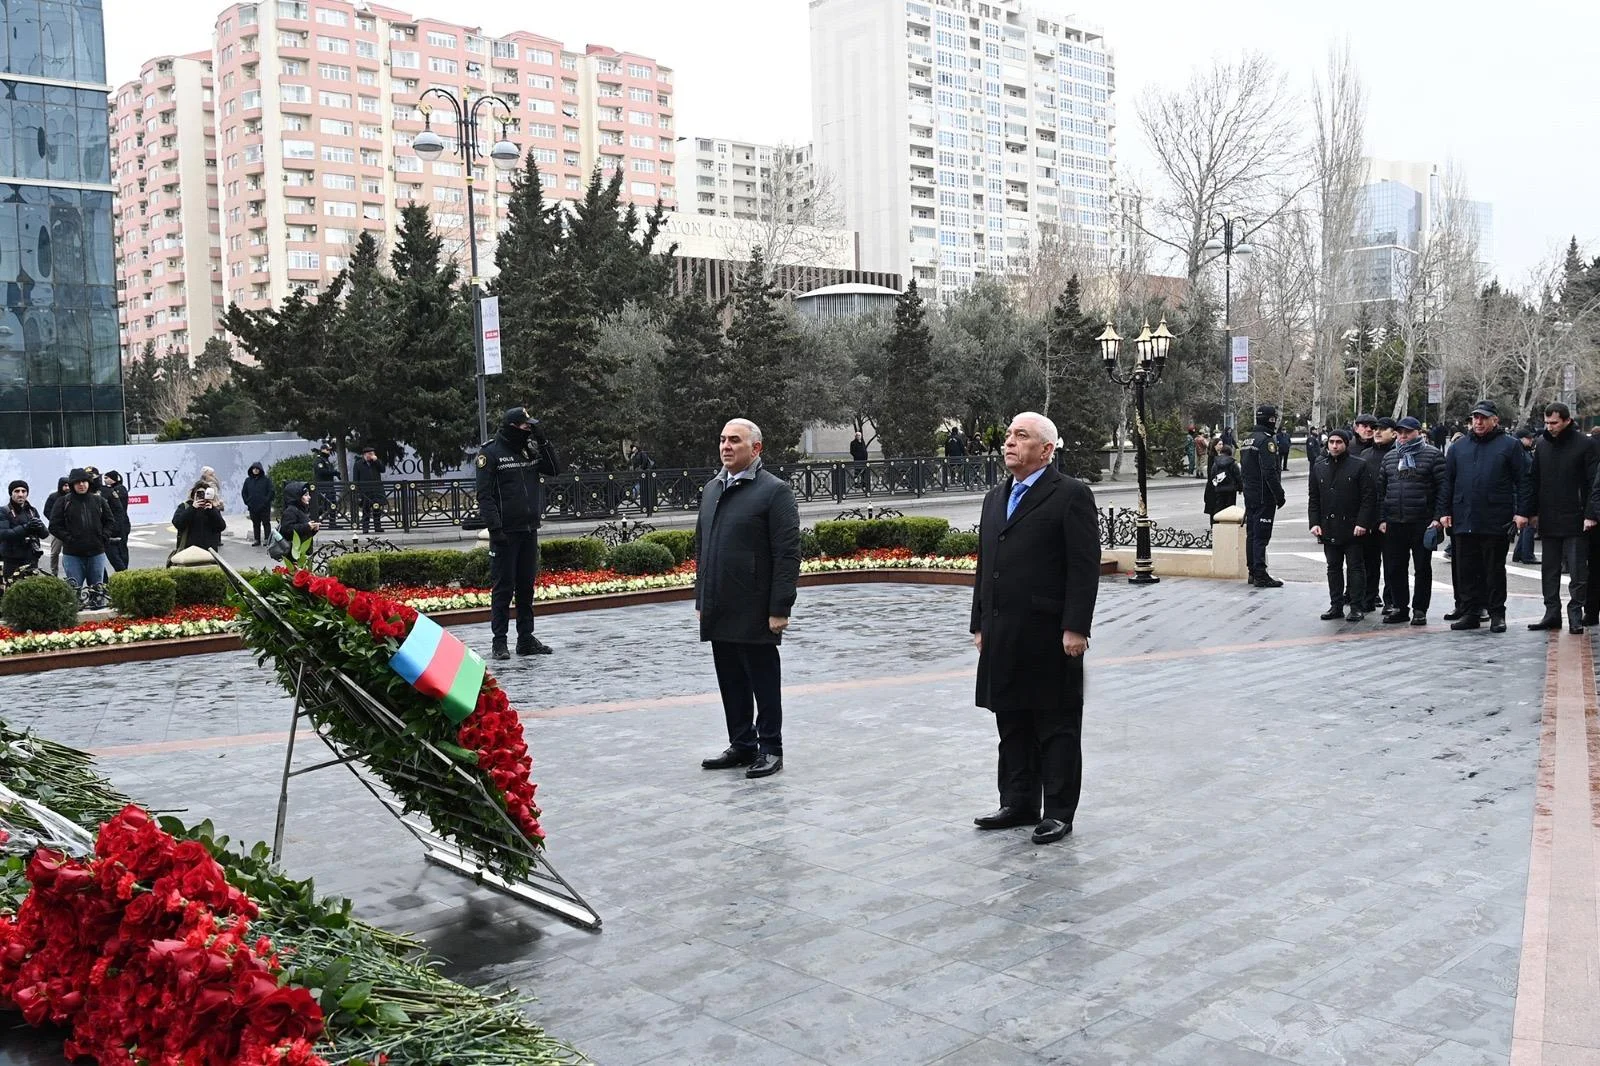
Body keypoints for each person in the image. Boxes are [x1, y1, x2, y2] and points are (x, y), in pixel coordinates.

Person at [969, 411, 1099, 846]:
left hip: (1049, 633)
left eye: (1020, 436)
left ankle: (1058, 811)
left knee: (1056, 724)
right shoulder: (995, 497)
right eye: (1008, 435)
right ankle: (1018, 802)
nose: (1009, 442)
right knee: (1011, 720)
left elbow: (1083, 567)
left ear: (1046, 450)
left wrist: (1076, 627)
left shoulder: (1070, 494)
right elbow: (986, 565)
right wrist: (979, 622)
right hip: (1002, 631)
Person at [695, 418, 802, 780]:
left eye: (735, 441)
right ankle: (742, 743)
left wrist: (780, 607)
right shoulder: (712, 489)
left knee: (763, 681)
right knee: (730, 679)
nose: (726, 446)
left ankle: (770, 747)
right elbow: (702, 548)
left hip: (757, 607)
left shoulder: (774, 491)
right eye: (722, 440)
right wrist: (701, 599)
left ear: (756, 448)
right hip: (719, 604)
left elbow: (787, 554)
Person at [477, 406, 563, 660]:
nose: (529, 430)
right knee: (503, 589)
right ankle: (499, 642)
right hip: (505, 533)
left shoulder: (529, 450)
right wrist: (495, 528)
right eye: (526, 426)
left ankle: (525, 639)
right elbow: (484, 495)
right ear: (513, 427)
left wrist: (543, 440)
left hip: (529, 529)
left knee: (526, 588)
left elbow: (554, 469)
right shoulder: (490, 453)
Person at [1441, 400, 1526, 632]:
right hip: (1464, 516)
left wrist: (1522, 512)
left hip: (1495, 517)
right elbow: (1448, 482)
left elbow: (1523, 480)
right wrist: (1444, 512)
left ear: (1494, 420)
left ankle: (1497, 613)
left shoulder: (1510, 445)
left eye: (1483, 418)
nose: (1478, 422)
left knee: (1494, 569)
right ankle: (1470, 612)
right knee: (1466, 569)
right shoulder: (1459, 447)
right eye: (1475, 418)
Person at [1518, 403, 1598, 634]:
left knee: (1577, 572)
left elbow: (1594, 483)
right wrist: (1531, 512)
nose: (1549, 427)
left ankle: (1575, 615)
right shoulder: (1542, 445)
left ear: (1566, 420)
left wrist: (1590, 514)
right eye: (1547, 422)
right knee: (1549, 571)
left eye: (1554, 423)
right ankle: (1552, 613)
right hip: (1549, 517)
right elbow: (1534, 480)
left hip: (1576, 518)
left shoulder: (1586, 445)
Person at [1377, 417, 1446, 626]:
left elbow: (1443, 489)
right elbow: (1381, 491)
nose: (1403, 436)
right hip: (1394, 521)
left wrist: (1437, 518)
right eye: (1400, 432)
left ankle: (1420, 609)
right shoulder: (1390, 457)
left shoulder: (1433, 455)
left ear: (1418, 432)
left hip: (1422, 521)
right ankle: (1400, 607)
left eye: (1407, 432)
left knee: (1422, 568)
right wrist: (1382, 518)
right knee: (1394, 568)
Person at [1309, 429, 1376, 622]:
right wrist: (1314, 523)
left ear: (1346, 444)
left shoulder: (1359, 465)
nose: (1334, 446)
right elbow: (1314, 498)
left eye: (1339, 442)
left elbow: (1368, 497)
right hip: (1328, 526)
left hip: (1353, 527)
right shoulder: (1319, 466)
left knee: (1355, 567)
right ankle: (1335, 606)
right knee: (1333, 567)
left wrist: (1362, 523)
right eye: (1331, 442)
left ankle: (1356, 606)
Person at [48, 468, 115, 608]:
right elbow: (54, 526)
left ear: (89, 483)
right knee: (74, 593)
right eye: (77, 482)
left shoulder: (99, 500)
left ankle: (97, 614)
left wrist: (104, 536)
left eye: (84, 481)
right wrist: (69, 539)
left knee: (97, 591)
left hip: (96, 552)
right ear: (72, 484)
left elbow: (110, 521)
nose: (81, 485)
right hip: (72, 554)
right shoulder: (63, 502)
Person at [1239, 403, 1287, 588]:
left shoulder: (1247, 440)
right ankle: (1260, 574)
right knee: (1261, 536)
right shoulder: (1266, 441)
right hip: (1263, 495)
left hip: (1250, 494)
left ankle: (1252, 571)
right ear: (1271, 420)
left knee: (1251, 534)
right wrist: (1279, 495)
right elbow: (1269, 471)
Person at [1358, 418, 1398, 612]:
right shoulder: (1365, 455)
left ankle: (1390, 600)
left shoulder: (1398, 454)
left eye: (1383, 429)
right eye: (1375, 429)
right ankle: (1369, 597)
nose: (1377, 432)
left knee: (1392, 563)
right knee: (1369, 561)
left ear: (1394, 432)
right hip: (1369, 517)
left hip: (1391, 517)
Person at [83, 466, 128, 573]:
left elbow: (119, 511)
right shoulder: (82, 494)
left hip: (107, 532)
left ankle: (123, 579)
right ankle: (103, 582)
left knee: (116, 559)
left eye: (92, 477)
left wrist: (112, 530)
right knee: (94, 563)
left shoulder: (107, 491)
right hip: (91, 534)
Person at [0, 481, 48, 579]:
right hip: (12, 559)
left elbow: (44, 535)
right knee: (12, 586)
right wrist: (26, 527)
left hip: (31, 558)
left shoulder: (32, 511)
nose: (20, 494)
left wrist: (40, 526)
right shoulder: (4, 511)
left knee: (31, 587)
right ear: (11, 493)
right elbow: (4, 534)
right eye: (17, 491)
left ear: (27, 494)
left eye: (23, 491)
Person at [172, 481, 227, 555]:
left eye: (204, 494)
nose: (201, 496)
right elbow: (178, 523)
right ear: (194, 495)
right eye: (199, 493)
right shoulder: (185, 506)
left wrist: (212, 511)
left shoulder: (211, 508)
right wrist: (192, 508)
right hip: (189, 552)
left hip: (209, 552)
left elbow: (221, 527)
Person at [1511, 429, 1540, 564]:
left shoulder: (1524, 452)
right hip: (1525, 492)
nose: (1531, 440)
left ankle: (1519, 553)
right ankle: (1527, 554)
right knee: (1528, 525)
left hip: (1523, 492)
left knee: (1526, 525)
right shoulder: (1521, 454)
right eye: (1529, 438)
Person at [278, 482, 320, 567]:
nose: (309, 497)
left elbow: (303, 533)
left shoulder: (300, 509)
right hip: (295, 554)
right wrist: (307, 526)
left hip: (303, 552)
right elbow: (287, 530)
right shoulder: (290, 511)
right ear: (297, 497)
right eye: (306, 495)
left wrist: (313, 529)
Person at [1203, 444, 1241, 522]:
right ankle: (1229, 524)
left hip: (1219, 490)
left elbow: (1213, 475)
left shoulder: (1216, 463)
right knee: (1230, 509)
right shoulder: (1232, 463)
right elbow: (1238, 477)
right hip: (1231, 490)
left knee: (1219, 508)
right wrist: (1240, 488)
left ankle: (1217, 524)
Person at [240, 462, 274, 547]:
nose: (255, 470)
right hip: (252, 507)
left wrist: (266, 501)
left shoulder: (266, 480)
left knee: (266, 523)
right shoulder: (248, 480)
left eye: (257, 468)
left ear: (260, 470)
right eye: (254, 468)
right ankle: (257, 539)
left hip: (264, 507)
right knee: (255, 524)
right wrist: (248, 502)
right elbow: (244, 492)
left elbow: (271, 492)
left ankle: (267, 539)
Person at [353, 445, 385, 534]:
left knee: (377, 509)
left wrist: (377, 461)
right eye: (369, 454)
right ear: (365, 454)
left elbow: (383, 470)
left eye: (372, 454)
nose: (371, 455)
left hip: (376, 490)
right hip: (365, 491)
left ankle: (377, 526)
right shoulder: (358, 464)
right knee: (365, 510)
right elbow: (356, 479)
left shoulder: (375, 462)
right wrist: (358, 492)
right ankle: (365, 527)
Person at [42, 476, 69, 577]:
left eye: (69, 485)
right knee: (55, 552)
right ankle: (54, 572)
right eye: (65, 485)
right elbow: (46, 511)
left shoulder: (72, 497)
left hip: (70, 529)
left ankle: (70, 574)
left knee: (69, 553)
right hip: (57, 530)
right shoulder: (53, 497)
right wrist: (55, 521)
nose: (67, 488)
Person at [312, 444, 341, 529]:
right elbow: (322, 472)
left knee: (332, 504)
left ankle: (332, 523)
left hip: (329, 485)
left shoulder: (326, 460)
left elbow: (329, 470)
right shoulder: (319, 460)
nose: (329, 452)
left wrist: (335, 473)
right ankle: (315, 521)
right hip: (323, 486)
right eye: (327, 450)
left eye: (329, 450)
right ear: (322, 450)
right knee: (323, 506)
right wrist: (333, 473)